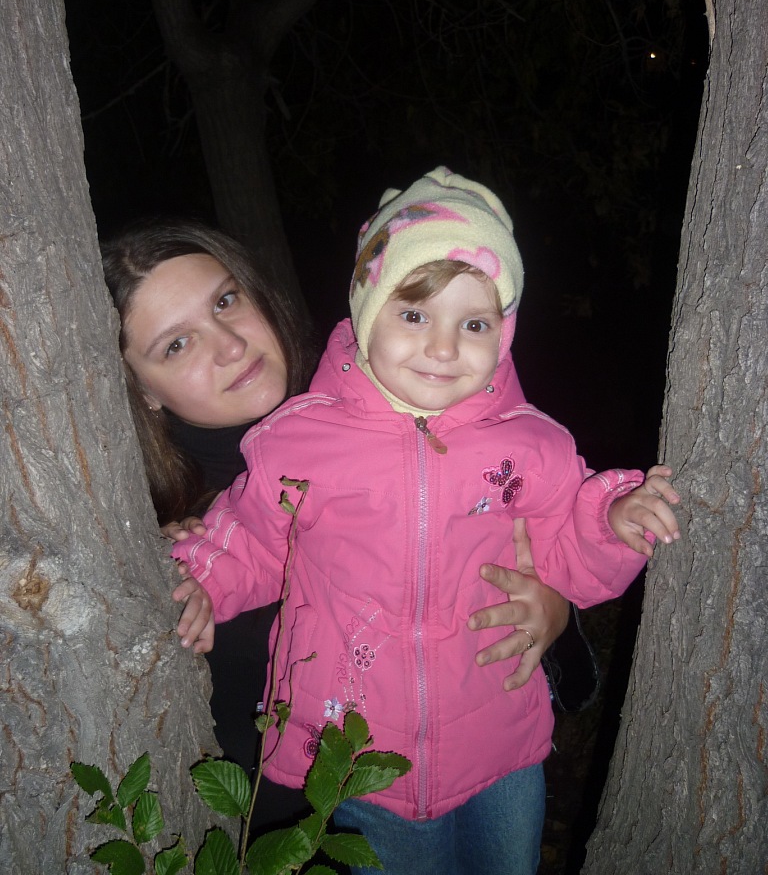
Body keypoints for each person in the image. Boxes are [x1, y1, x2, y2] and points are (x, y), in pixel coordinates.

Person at [170, 167, 680, 875]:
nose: (444, 348)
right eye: (414, 315)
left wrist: (616, 521)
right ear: (366, 311)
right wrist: (198, 579)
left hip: (501, 737)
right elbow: (253, 540)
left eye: (474, 324)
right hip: (360, 750)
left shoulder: (530, 444)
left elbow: (567, 551)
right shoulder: (300, 441)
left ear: (504, 333)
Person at [100, 215, 573, 833]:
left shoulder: (396, 399)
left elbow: (528, 526)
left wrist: (554, 607)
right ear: (142, 389)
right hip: (303, 832)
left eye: (225, 301)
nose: (230, 345)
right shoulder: (155, 529)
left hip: (468, 776)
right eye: (176, 344)